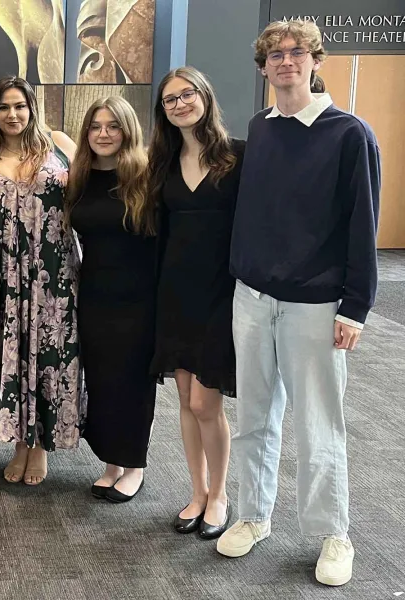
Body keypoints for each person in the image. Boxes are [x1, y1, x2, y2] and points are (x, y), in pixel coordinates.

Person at [217, 20, 380, 588]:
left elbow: (363, 224)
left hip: (315, 301)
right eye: (276, 54)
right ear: (263, 67)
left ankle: (335, 533)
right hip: (254, 298)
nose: (287, 61)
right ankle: (254, 515)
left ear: (316, 61)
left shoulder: (348, 134)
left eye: (298, 53)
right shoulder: (261, 128)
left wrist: (355, 307)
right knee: (254, 419)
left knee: (318, 423)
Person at [0, 76, 81, 486]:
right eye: (3, 107)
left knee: (47, 350)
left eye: (19, 106)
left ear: (32, 108)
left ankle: (41, 446)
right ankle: (18, 444)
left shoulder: (59, 146)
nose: (12, 115)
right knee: (8, 352)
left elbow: (88, 195)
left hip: (50, 265)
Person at [148, 67, 244, 537]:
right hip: (174, 292)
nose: (180, 103)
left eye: (187, 94)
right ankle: (197, 491)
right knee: (186, 399)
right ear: (163, 111)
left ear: (205, 97)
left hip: (221, 294)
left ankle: (221, 494)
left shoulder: (237, 156)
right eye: (170, 100)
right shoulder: (162, 163)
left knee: (208, 402)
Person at [63, 96, 156, 503]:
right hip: (94, 292)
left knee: (133, 382)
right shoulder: (80, 175)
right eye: (96, 126)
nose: (104, 133)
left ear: (127, 130)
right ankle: (112, 463)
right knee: (101, 380)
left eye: (113, 126)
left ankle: (134, 465)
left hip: (138, 295)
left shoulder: (144, 175)